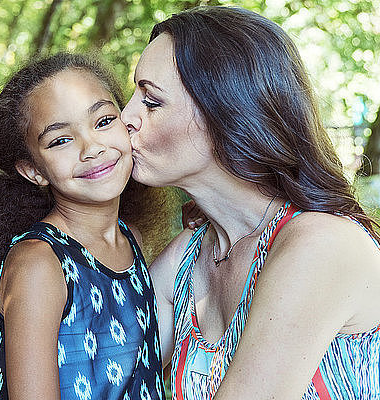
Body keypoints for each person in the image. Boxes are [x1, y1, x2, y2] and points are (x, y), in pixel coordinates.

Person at [121, 6, 380, 400]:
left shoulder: (322, 244)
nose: (126, 117)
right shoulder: (187, 258)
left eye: (151, 102)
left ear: (225, 113)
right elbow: (107, 376)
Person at [0, 53, 178, 400]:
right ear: (34, 171)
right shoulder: (39, 264)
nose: (92, 148)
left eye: (103, 121)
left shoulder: (130, 239)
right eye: (60, 140)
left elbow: (137, 364)